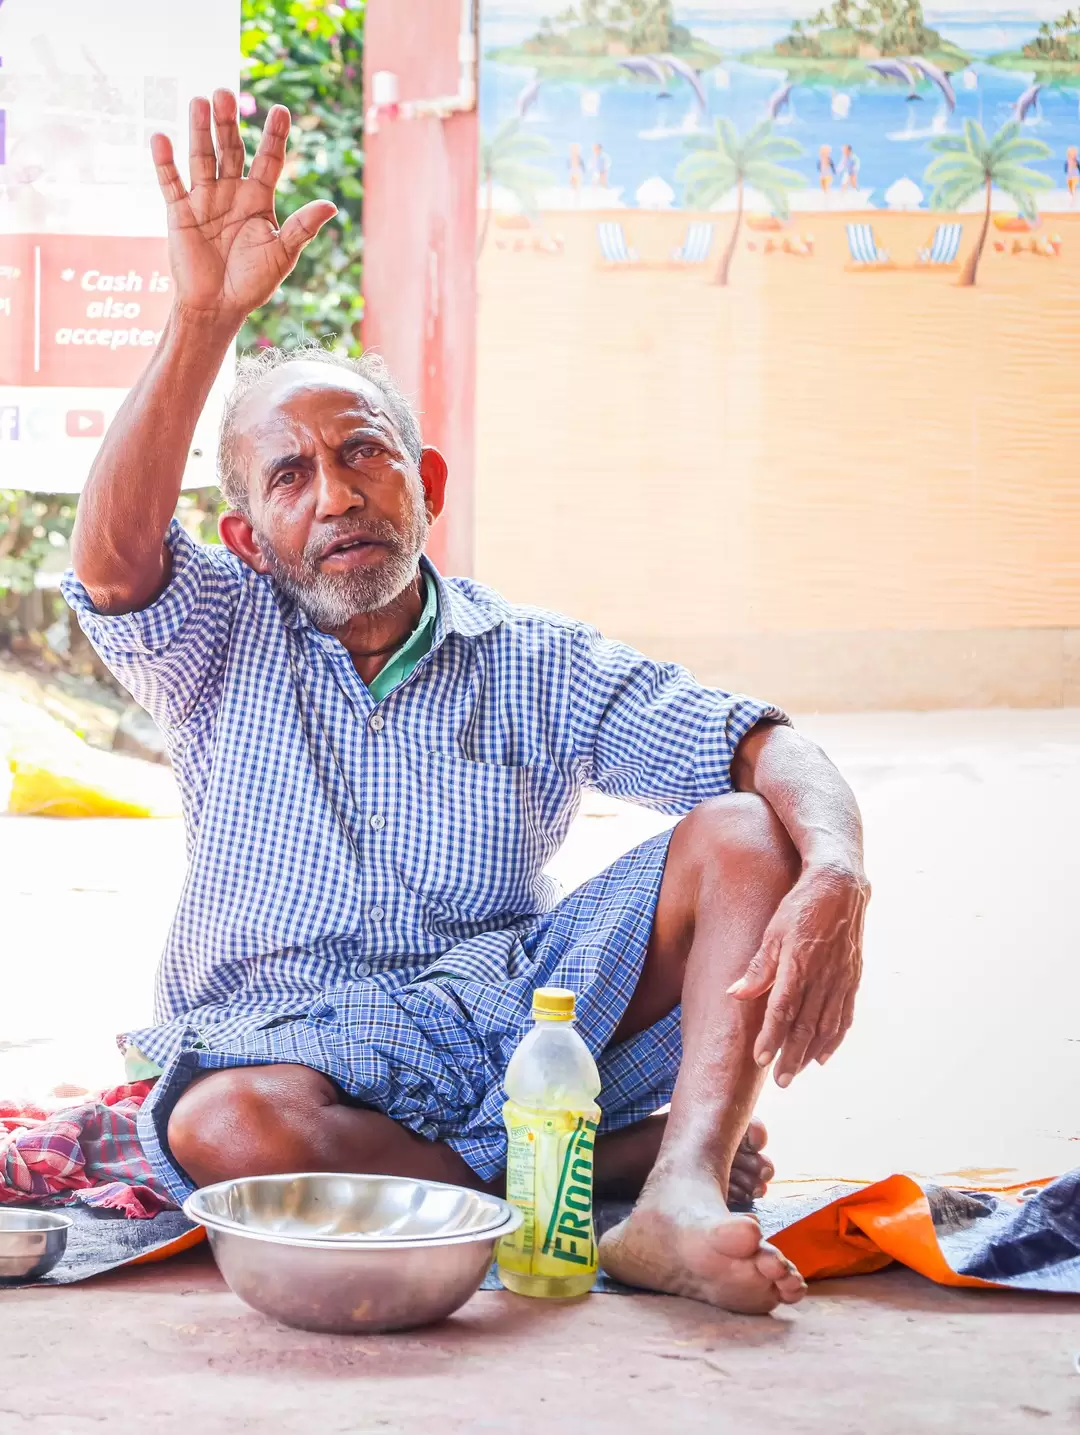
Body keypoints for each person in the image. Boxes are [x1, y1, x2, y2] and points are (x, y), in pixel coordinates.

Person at [64, 92, 870, 1315]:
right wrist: (202, 318)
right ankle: (577, 1171)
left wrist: (838, 869)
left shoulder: (535, 656)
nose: (336, 494)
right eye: (290, 476)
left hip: (505, 1021)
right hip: (281, 1045)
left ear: (422, 481)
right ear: (245, 535)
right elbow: (113, 563)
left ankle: (676, 1189)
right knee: (225, 1128)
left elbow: (756, 743)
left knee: (749, 829)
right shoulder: (216, 633)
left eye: (363, 452)